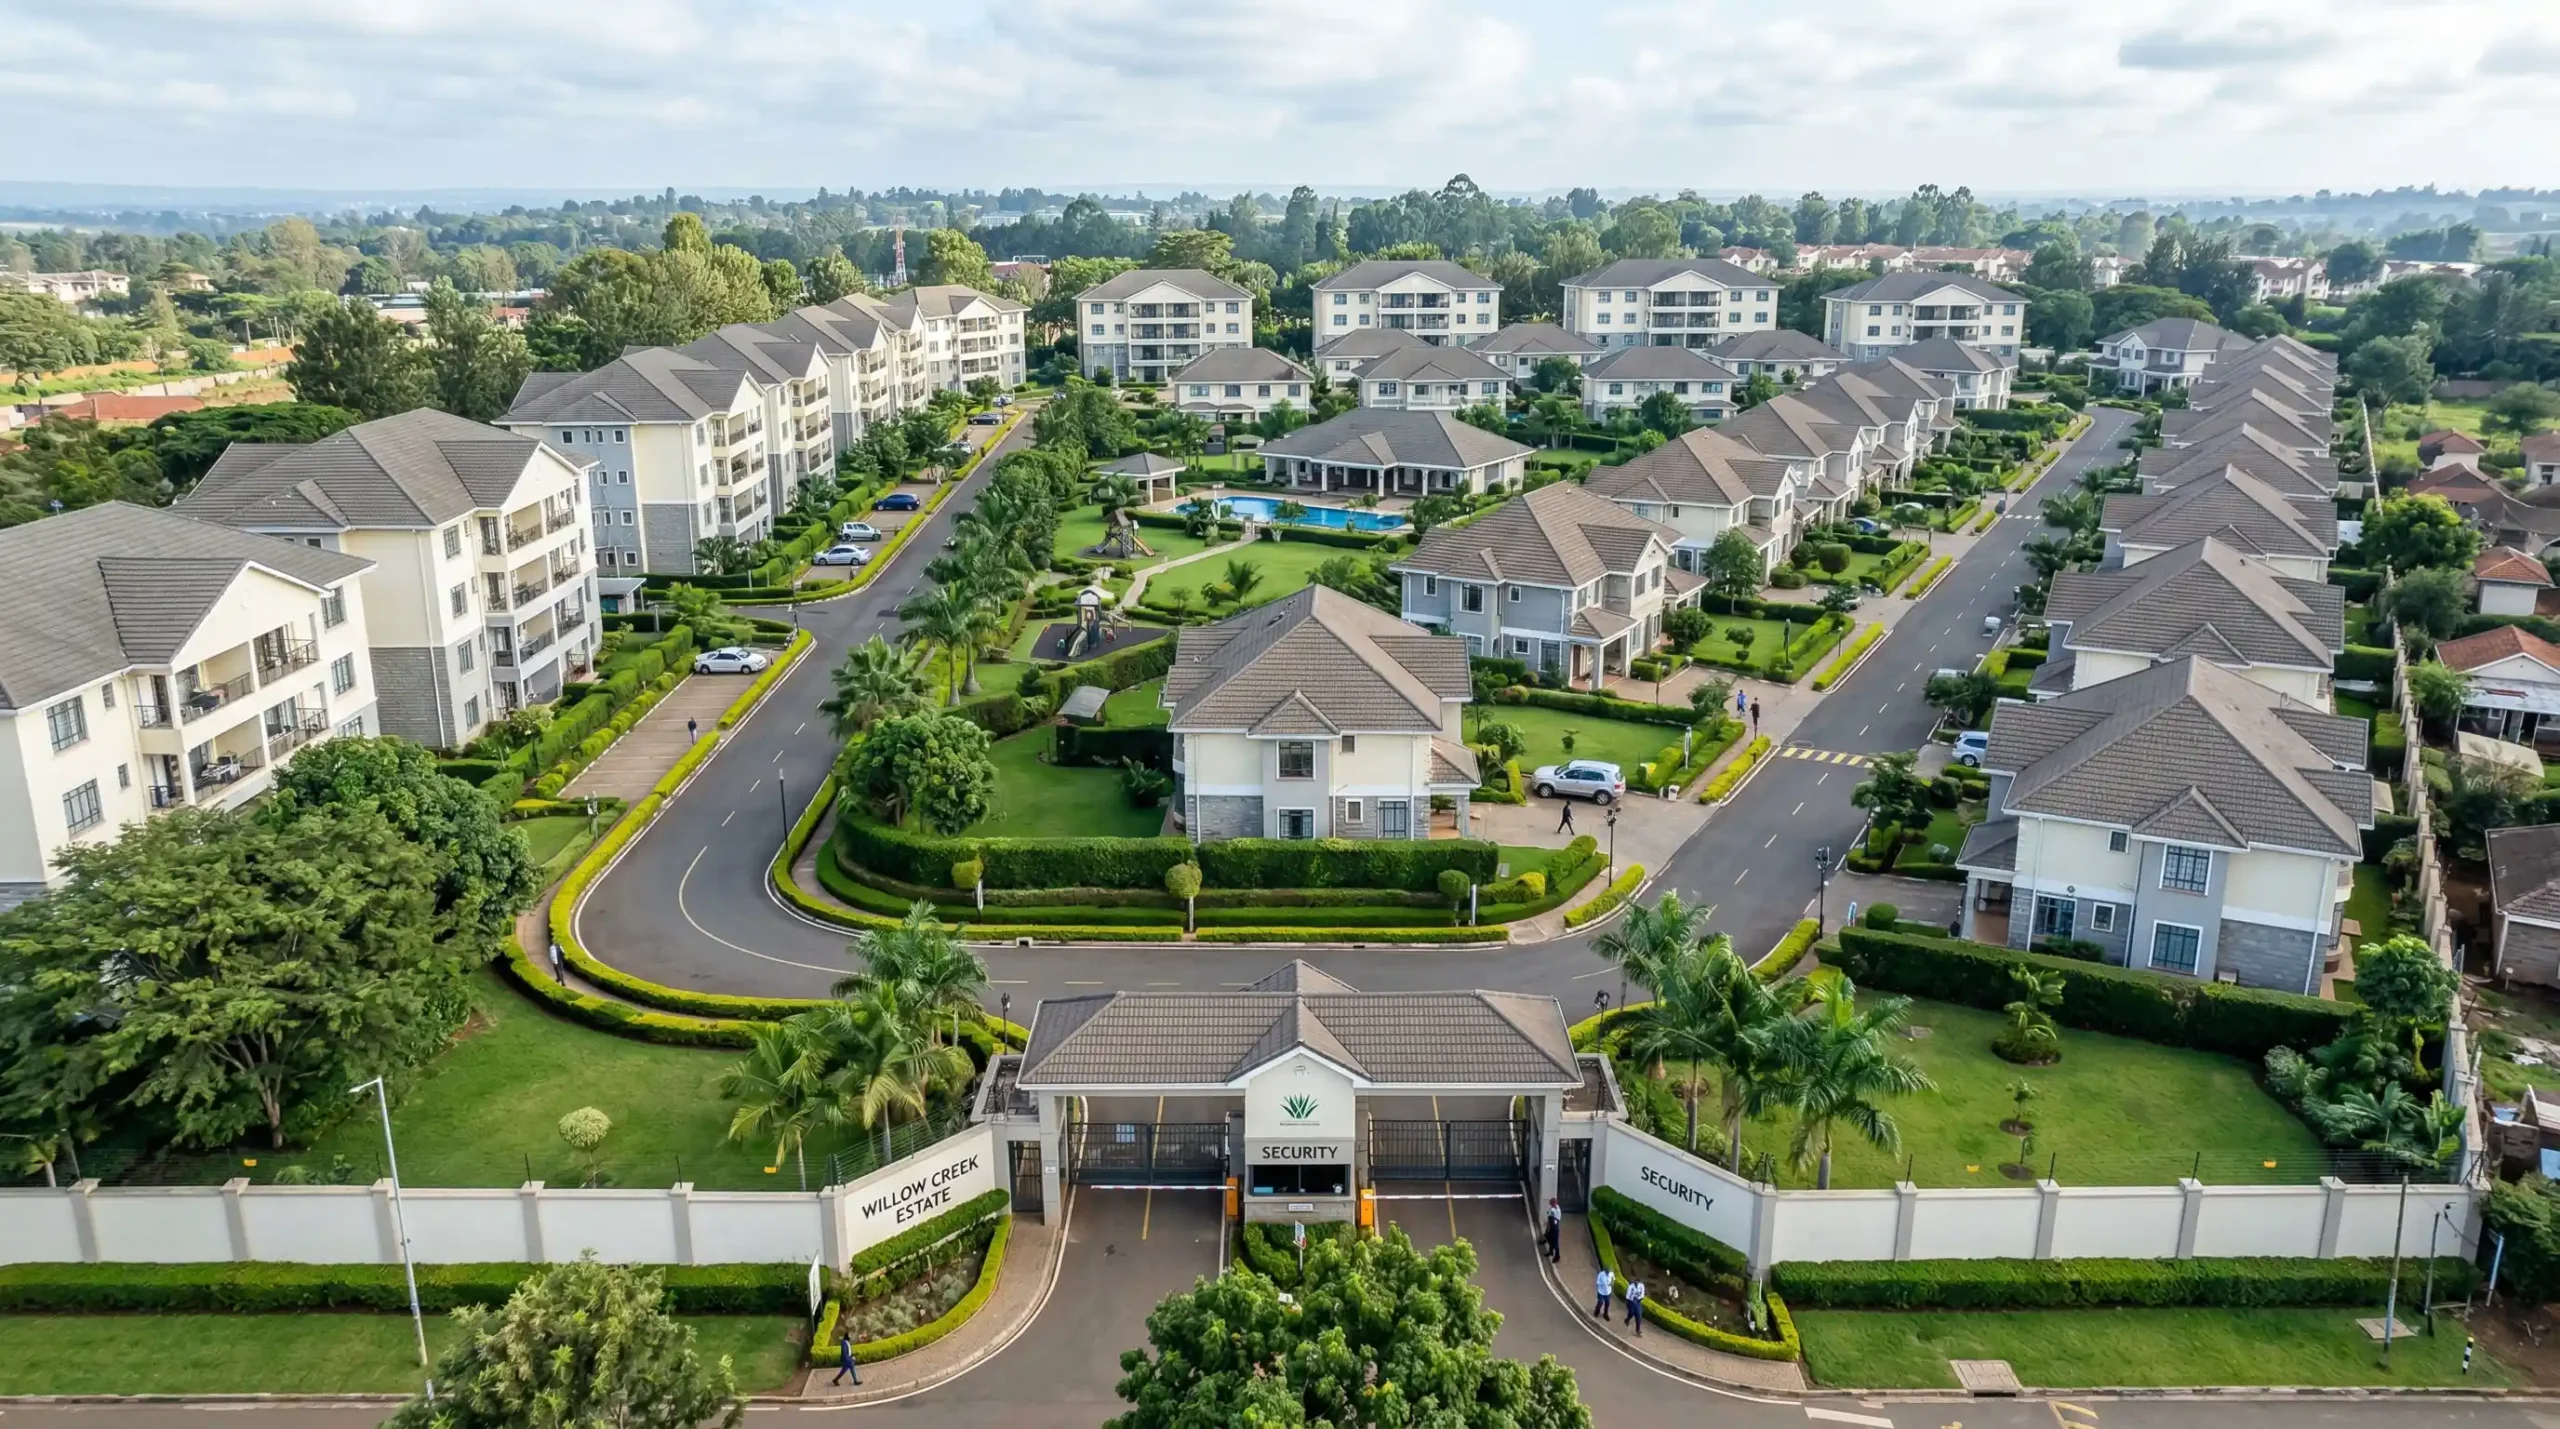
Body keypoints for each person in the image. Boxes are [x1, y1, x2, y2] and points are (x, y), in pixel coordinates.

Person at [1543, 1198, 1562, 1263]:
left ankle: (1557, 1256)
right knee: (1550, 1238)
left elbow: (1550, 1220)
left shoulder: (1552, 1210)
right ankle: (1551, 1251)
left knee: (1554, 1242)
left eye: (1551, 1203)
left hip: (1554, 1228)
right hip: (1554, 1226)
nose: (1551, 1205)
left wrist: (1547, 1228)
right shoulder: (1557, 1208)